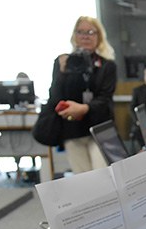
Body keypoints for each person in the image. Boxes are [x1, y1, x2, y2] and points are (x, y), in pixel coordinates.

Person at [47, 15, 117, 173]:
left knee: (102, 176)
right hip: (73, 129)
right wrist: (63, 72)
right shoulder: (63, 62)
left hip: (99, 128)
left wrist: (84, 108)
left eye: (91, 32)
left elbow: (105, 99)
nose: (85, 36)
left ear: (98, 36)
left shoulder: (107, 65)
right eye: (81, 32)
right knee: (84, 180)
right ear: (74, 35)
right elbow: (55, 96)